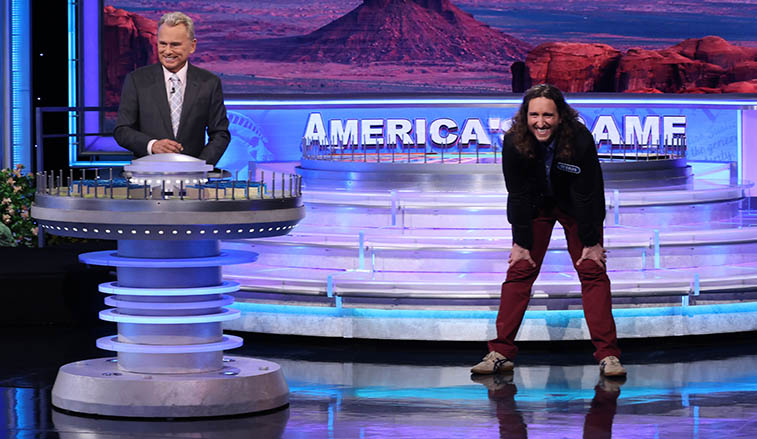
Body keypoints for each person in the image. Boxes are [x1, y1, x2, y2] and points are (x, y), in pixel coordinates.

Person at [471, 84, 626, 377]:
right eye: (534, 115)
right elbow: (516, 193)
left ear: (560, 116)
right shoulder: (514, 141)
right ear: (524, 116)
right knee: (519, 269)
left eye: (547, 115)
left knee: (592, 270)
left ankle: (608, 356)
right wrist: (520, 241)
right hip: (536, 207)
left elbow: (591, 192)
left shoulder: (579, 139)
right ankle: (500, 352)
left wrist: (592, 241)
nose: (540, 122)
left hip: (575, 208)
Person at [114, 12, 230, 166]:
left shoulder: (209, 83)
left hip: (193, 179)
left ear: (192, 45)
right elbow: (122, 130)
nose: (167, 51)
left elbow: (220, 133)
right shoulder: (137, 80)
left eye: (175, 45)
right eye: (163, 44)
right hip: (148, 175)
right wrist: (152, 145)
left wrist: (199, 165)